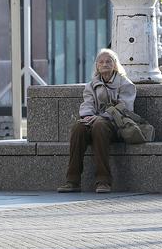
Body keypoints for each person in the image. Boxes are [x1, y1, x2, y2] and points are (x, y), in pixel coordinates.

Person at [59, 48, 137, 194]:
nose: (104, 64)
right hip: (95, 122)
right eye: (101, 62)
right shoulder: (91, 85)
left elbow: (125, 107)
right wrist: (87, 117)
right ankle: (72, 181)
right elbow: (87, 104)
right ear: (97, 66)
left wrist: (102, 117)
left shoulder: (125, 84)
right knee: (79, 127)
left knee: (100, 126)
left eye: (108, 61)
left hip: (116, 125)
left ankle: (103, 181)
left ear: (115, 64)